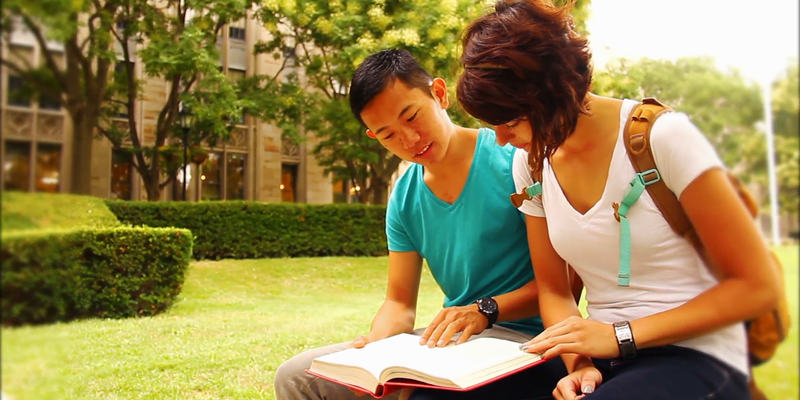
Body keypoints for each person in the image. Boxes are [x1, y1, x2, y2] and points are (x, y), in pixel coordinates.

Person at [455, 1, 782, 400]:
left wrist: (619, 337)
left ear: (555, 91)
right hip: (602, 355)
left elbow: (757, 286)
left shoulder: (663, 138)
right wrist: (579, 365)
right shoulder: (532, 164)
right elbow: (555, 292)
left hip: (698, 354)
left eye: (511, 121)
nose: (502, 139)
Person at [274, 48, 579, 400]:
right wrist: (374, 349)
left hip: (524, 338)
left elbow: (564, 287)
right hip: (450, 339)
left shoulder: (516, 161)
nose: (410, 140)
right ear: (374, 137)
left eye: (412, 116)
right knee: (295, 377)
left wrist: (485, 310)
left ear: (439, 93)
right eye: (388, 134)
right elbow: (399, 304)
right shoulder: (404, 196)